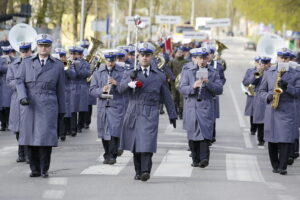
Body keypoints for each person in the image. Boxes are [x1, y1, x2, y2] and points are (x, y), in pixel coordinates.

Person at [119, 42, 177, 182]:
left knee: (147, 142)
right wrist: (129, 83)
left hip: (150, 110)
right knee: (135, 143)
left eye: (147, 55)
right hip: (133, 110)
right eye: (142, 55)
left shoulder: (159, 75)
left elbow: (167, 96)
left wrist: (172, 114)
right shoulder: (130, 72)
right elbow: (120, 90)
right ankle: (138, 170)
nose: (144, 58)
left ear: (152, 57)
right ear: (138, 57)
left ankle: (146, 170)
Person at [16, 34, 65, 178]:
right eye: (41, 45)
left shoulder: (58, 65)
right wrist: (23, 97)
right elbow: (19, 82)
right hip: (29, 104)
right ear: (37, 47)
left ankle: (44, 168)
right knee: (30, 137)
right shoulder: (26, 63)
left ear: (50, 47)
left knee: (45, 138)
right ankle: (34, 169)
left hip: (48, 104)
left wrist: (62, 110)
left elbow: (61, 89)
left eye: (46, 46)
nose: (43, 48)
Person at [258, 48, 300, 175]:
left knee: (285, 139)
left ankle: (283, 167)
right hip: (272, 109)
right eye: (281, 57)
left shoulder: (296, 74)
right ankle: (275, 165)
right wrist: (268, 97)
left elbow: (298, 93)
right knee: (272, 139)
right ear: (277, 58)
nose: (283, 60)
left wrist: (287, 86)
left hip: (287, 110)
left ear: (289, 60)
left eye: (286, 58)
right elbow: (261, 91)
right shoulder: (269, 72)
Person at [179, 47, 223, 168]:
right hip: (191, 106)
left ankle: (204, 158)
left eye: (204, 58)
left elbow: (219, 89)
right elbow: (182, 88)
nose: (202, 61)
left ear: (208, 58)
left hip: (206, 106)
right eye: (200, 58)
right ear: (196, 58)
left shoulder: (213, 72)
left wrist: (208, 83)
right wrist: (193, 86)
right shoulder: (188, 71)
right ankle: (195, 158)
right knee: (192, 135)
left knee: (205, 134)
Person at [90, 50, 126, 165]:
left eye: (113, 60)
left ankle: (113, 155)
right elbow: (92, 90)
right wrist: (102, 90)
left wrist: (117, 83)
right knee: (104, 133)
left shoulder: (122, 72)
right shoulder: (97, 73)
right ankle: (107, 154)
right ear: (105, 60)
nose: (110, 63)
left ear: (116, 60)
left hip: (116, 105)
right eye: (108, 61)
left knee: (114, 131)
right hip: (103, 106)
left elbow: (125, 89)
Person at [6, 42, 32, 163]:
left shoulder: (34, 63)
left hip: (30, 98)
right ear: (19, 52)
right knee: (17, 128)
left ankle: (27, 154)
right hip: (17, 99)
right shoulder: (13, 65)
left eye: (27, 51)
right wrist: (19, 85)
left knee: (27, 127)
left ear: (30, 51)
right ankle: (21, 152)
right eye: (23, 51)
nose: (25, 53)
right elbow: (9, 81)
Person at [55, 48, 76, 141]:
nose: (61, 58)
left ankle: (63, 133)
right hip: (54, 91)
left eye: (62, 56)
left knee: (64, 112)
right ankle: (57, 133)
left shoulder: (68, 64)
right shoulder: (52, 64)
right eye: (59, 56)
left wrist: (66, 67)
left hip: (65, 91)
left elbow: (73, 75)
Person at [207, 46, 226, 143]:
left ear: (213, 55)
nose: (208, 56)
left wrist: (218, 86)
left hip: (213, 94)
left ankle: (211, 136)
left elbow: (223, 79)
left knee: (212, 116)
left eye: (210, 54)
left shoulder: (218, 66)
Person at [251, 56, 271, 146]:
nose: (264, 65)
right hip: (260, 98)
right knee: (260, 121)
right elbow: (252, 82)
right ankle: (261, 139)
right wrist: (259, 72)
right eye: (262, 63)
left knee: (269, 120)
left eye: (266, 64)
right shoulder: (258, 72)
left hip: (269, 97)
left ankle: (269, 138)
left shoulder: (272, 72)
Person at [169, 46, 189, 119]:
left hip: (183, 82)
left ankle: (181, 112)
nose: (179, 53)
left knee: (182, 97)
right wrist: (170, 77)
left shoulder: (187, 62)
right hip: (174, 82)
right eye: (178, 52)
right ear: (175, 53)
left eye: (181, 52)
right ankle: (175, 112)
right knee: (174, 97)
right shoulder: (172, 61)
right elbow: (168, 70)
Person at [242, 56, 260, 135]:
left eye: (261, 63)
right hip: (252, 94)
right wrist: (256, 74)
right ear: (255, 63)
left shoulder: (267, 71)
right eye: (258, 63)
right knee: (252, 113)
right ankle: (253, 129)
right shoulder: (250, 71)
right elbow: (245, 82)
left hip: (261, 95)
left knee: (261, 114)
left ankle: (261, 134)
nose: (259, 65)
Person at [0, 46, 14, 131]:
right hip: (1, 85)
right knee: (1, 108)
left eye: (7, 52)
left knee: (10, 107)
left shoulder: (13, 59)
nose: (6, 54)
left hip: (10, 86)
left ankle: (9, 123)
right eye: (5, 52)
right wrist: (8, 66)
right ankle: (3, 124)